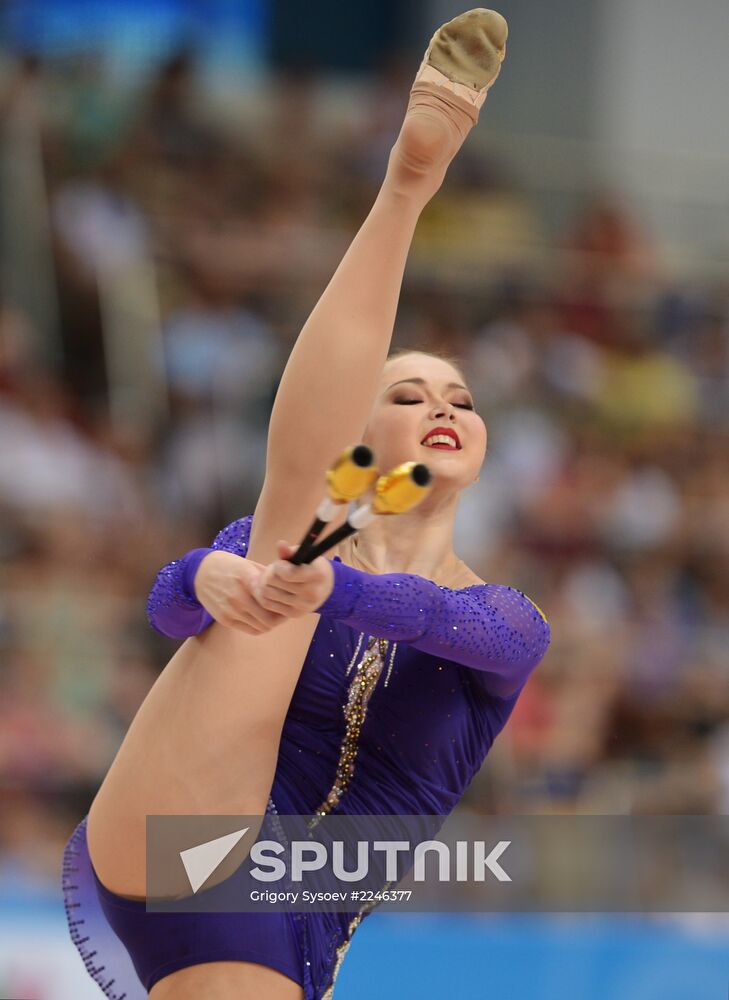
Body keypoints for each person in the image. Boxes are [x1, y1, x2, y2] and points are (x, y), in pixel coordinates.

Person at [62, 10, 550, 999]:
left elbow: (434, 617)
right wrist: (206, 575)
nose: (442, 406)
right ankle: (408, 182)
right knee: (281, 532)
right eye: (407, 394)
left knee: (292, 559)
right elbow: (170, 612)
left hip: (289, 919)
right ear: (366, 434)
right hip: (184, 831)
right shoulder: (295, 553)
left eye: (459, 396)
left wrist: (328, 588)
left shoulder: (508, 623)